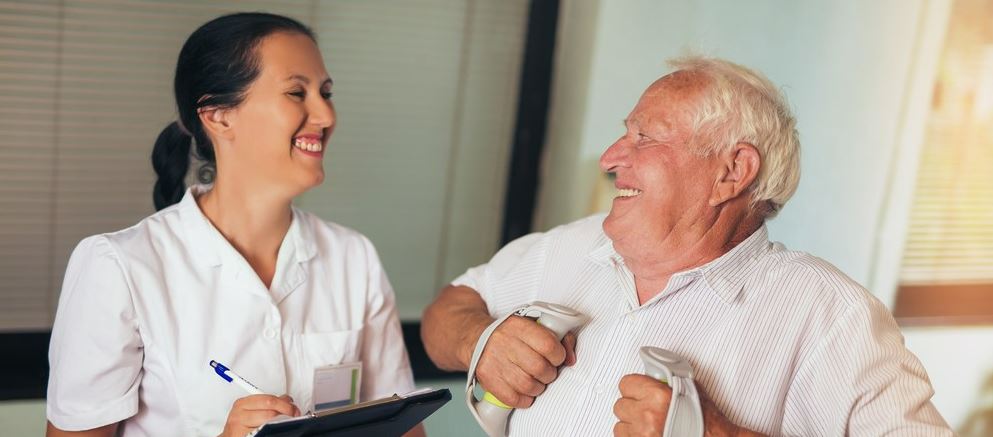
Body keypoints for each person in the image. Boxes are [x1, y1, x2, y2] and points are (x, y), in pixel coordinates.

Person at [421, 56, 953, 436]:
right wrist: (480, 340)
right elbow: (446, 310)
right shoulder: (570, 244)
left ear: (732, 172)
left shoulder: (831, 316)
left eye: (644, 138)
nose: (609, 157)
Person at [46, 13, 424, 437]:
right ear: (219, 116)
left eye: (327, 93)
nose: (325, 115)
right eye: (297, 92)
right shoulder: (117, 267)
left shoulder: (354, 258)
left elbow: (403, 430)